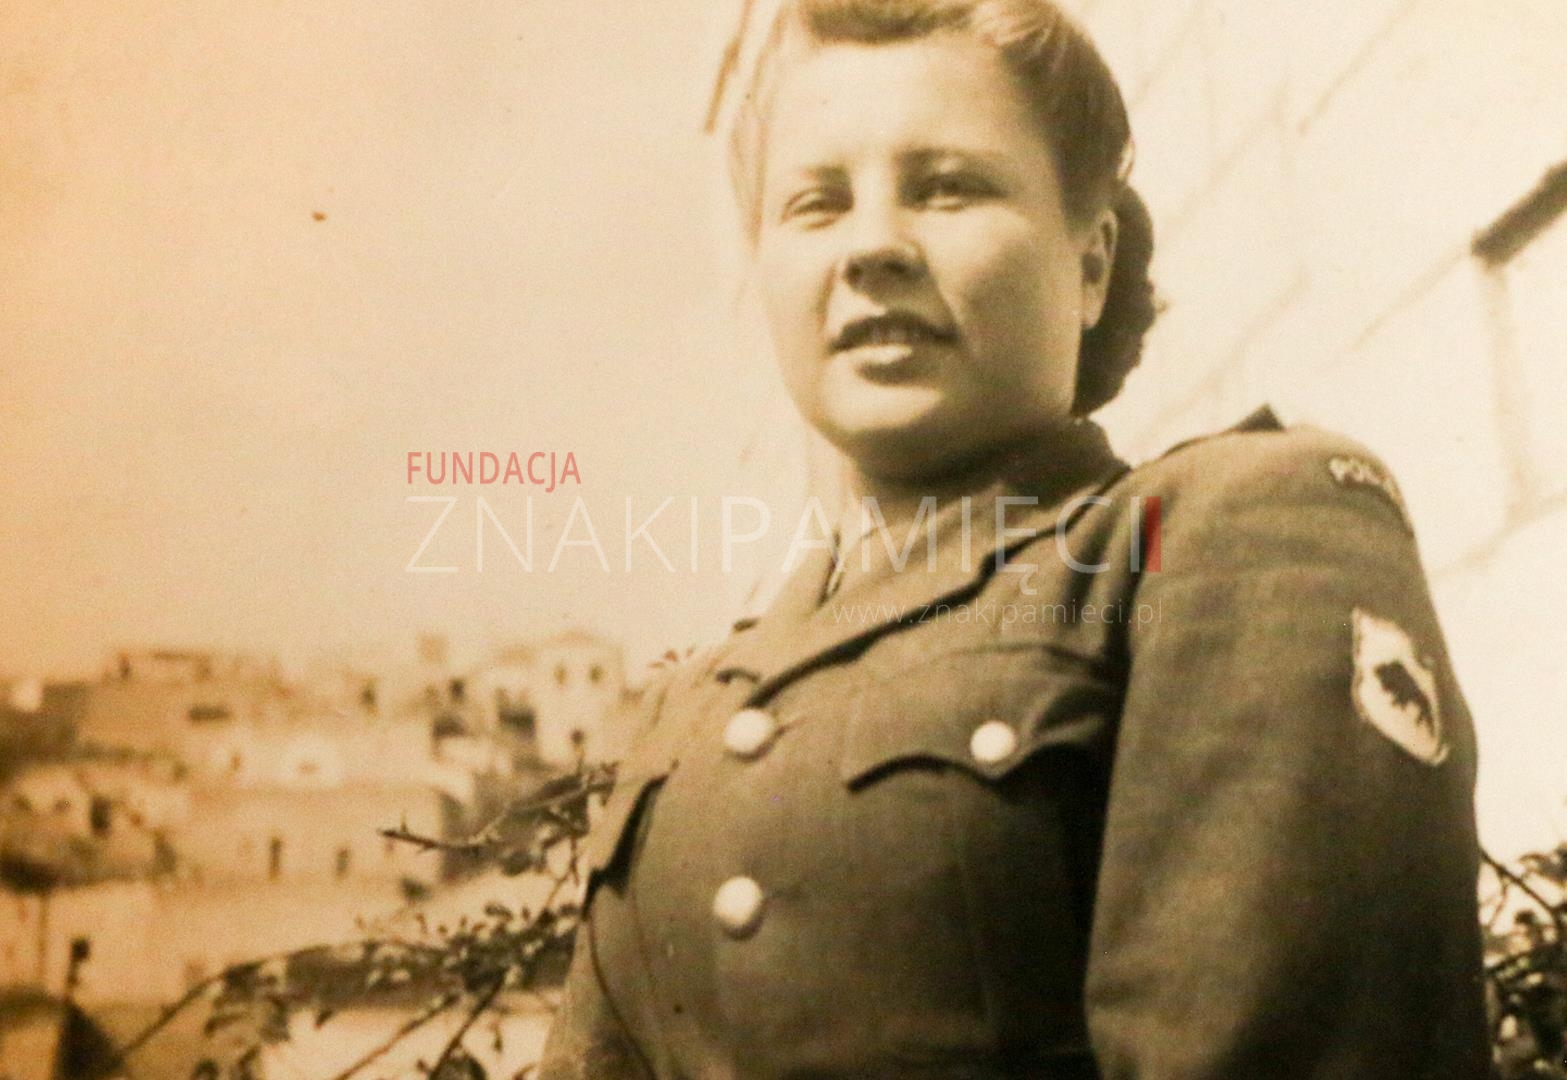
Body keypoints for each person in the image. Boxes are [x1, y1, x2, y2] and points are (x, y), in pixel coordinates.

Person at [538, 0, 1491, 1075]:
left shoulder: (1217, 530)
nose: (872, 247)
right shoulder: (688, 712)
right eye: (815, 203)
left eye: (946, 187)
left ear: (1090, 265)